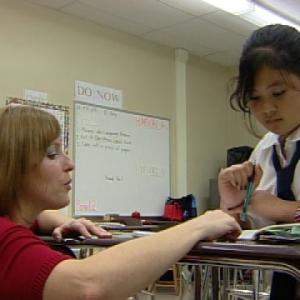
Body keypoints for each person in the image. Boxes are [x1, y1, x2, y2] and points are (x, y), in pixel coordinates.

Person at [0, 105, 241, 300]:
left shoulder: (19, 219)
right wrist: (198, 225)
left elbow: (37, 218)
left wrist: (67, 221)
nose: (70, 163)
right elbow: (87, 286)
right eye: (52, 153)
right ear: (12, 167)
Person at [218, 24, 300, 300]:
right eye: (255, 98)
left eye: (278, 93)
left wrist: (286, 210)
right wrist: (232, 205)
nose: (267, 109)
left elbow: (274, 211)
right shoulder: (266, 147)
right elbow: (250, 229)